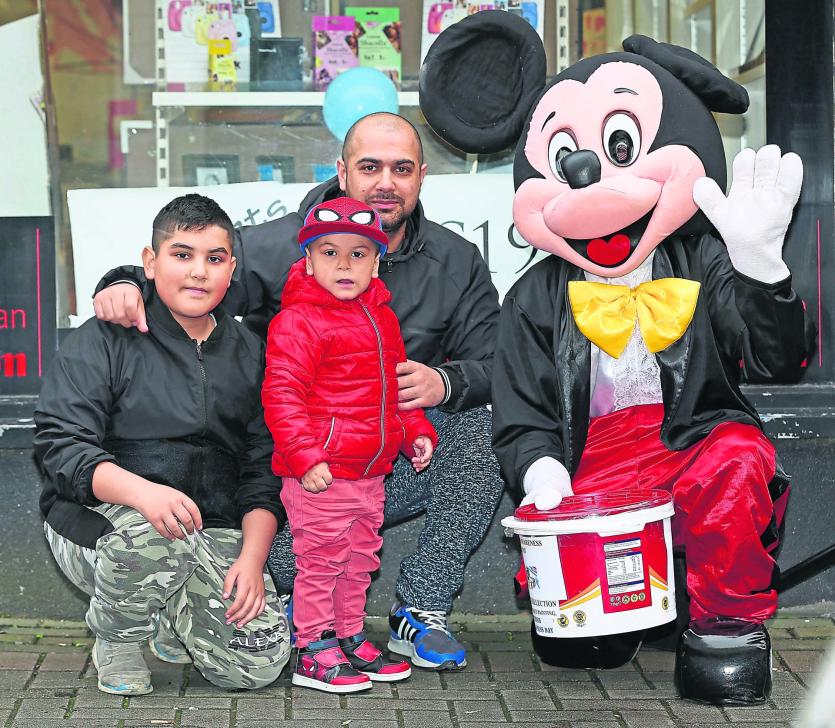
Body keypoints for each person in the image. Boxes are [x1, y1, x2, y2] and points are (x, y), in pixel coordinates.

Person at [91, 111, 504, 671]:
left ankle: (420, 608)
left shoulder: (455, 260)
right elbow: (192, 269)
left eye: (401, 169)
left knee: (482, 431)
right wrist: (121, 282)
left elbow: (499, 363)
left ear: (422, 177)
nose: (386, 182)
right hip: (298, 475)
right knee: (292, 560)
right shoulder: (282, 243)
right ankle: (295, 609)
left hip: (386, 463)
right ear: (342, 171)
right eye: (370, 167)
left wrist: (445, 382)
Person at [34, 194, 290, 696]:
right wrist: (145, 494)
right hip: (103, 520)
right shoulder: (106, 338)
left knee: (255, 666)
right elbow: (60, 445)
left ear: (232, 269)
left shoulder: (252, 353)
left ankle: (171, 614)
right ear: (150, 262)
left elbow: (263, 468)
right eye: (182, 254)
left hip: (207, 525)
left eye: (214, 258)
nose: (198, 271)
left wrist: (252, 559)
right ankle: (118, 637)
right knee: (157, 539)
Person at [264, 197, 438, 692]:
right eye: (330, 253)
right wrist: (305, 457)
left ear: (376, 262)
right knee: (320, 562)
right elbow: (281, 396)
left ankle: (348, 635)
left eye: (358, 254)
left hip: (370, 471)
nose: (344, 265)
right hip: (321, 472)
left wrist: (415, 431)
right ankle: (312, 648)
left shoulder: (382, 319)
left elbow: (395, 388)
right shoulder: (298, 321)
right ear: (308, 261)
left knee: (359, 560)